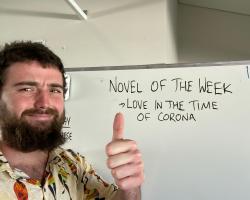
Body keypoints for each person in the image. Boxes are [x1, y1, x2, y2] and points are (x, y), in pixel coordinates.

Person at [0, 41, 144, 200]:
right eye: (27, 89)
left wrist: (131, 188)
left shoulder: (73, 164)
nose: (44, 103)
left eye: (54, 90)